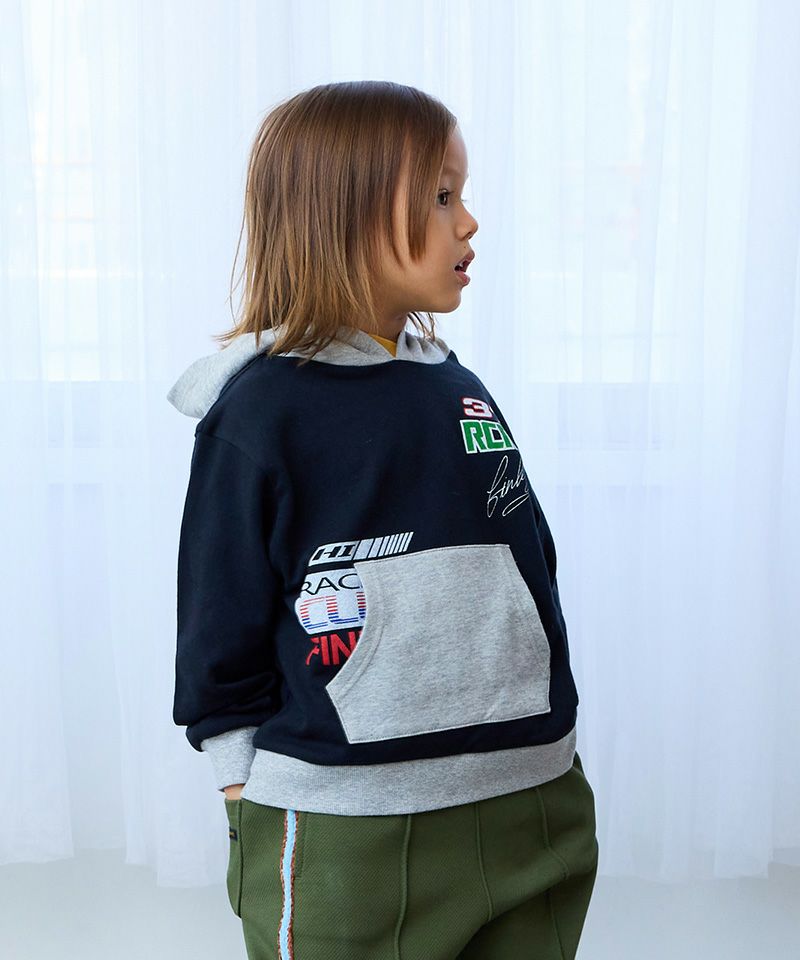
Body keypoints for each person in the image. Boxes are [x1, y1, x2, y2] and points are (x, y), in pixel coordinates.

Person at [167, 79, 598, 960]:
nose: (468, 222)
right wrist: (242, 787)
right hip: (350, 826)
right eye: (441, 197)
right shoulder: (262, 411)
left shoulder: (457, 386)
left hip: (534, 798)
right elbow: (220, 616)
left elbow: (528, 566)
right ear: (349, 213)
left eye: (460, 195)